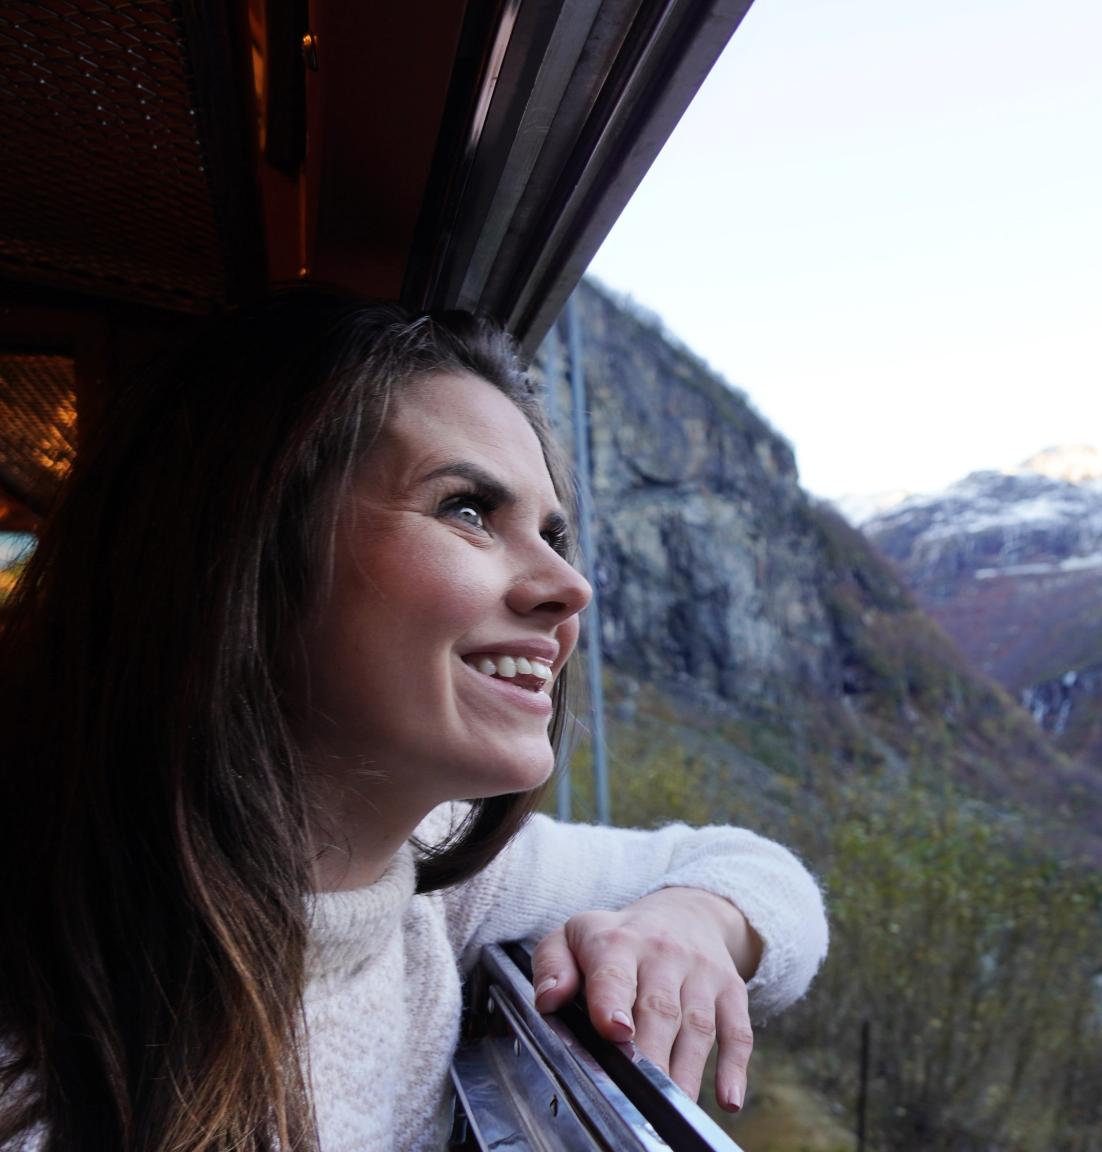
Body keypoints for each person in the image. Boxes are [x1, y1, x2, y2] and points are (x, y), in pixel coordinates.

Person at [0, 297, 829, 1150]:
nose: (570, 587)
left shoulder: (435, 878)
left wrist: (688, 924)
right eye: (467, 509)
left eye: (554, 532)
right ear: (247, 551)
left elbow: (766, 882)